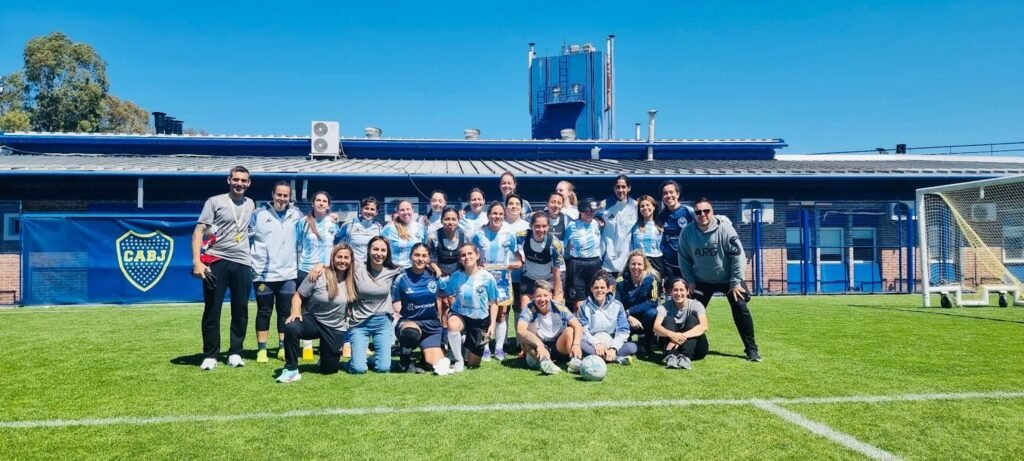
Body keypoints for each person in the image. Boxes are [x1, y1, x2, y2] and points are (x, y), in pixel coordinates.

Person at [678, 198, 761, 362]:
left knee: (740, 307)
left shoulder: (725, 228)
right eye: (698, 212)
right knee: (691, 312)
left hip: (728, 279)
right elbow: (683, 258)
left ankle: (751, 349)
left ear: (712, 212)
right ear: (694, 214)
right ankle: (685, 347)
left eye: (706, 211)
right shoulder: (687, 232)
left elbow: (738, 256)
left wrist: (735, 282)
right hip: (702, 280)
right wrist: (690, 280)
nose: (702, 214)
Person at [192, 166, 256, 370]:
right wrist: (197, 261)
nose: (239, 183)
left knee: (241, 309)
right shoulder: (214, 201)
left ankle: (235, 352)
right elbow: (198, 232)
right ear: (229, 180)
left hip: (243, 262)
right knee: (212, 309)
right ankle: (211, 354)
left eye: (243, 180)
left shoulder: (251, 204)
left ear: (249, 183)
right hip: (216, 260)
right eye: (236, 179)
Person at [276, 244, 356, 383]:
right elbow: (298, 296)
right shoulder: (318, 275)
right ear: (333, 258)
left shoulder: (353, 278)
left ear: (351, 260)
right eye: (339, 257)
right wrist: (295, 312)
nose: (342, 260)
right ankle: (291, 369)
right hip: (314, 320)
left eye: (346, 257)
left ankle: (325, 359)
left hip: (335, 327)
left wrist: (321, 264)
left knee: (329, 370)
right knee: (291, 327)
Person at [249, 181, 303, 363]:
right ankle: (262, 350)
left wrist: (331, 217)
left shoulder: (296, 214)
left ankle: (282, 347)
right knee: (264, 311)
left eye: (285, 195)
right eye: (279, 195)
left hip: (288, 274)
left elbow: (310, 227)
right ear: (272, 195)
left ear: (289, 197)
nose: (282, 198)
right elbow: (244, 238)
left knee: (284, 312)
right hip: (263, 273)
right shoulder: (258, 214)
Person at [471, 201, 522, 360]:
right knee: (484, 314)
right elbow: (471, 255)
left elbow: (518, 257)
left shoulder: (509, 235)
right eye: (494, 213)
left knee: (501, 314)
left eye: (500, 214)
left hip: (503, 281)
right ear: (488, 215)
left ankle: (499, 348)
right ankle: (485, 347)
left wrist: (517, 263)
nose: (497, 216)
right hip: (483, 279)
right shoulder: (478, 235)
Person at [346, 236, 404, 373]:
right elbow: (336, 263)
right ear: (368, 250)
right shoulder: (357, 267)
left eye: (383, 250)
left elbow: (416, 268)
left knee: (383, 368)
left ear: (387, 253)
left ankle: (374, 359)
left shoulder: (394, 270)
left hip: (382, 322)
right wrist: (319, 267)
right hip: (359, 323)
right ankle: (353, 362)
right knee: (358, 369)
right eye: (375, 249)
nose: (379, 253)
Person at [441, 242, 500, 373]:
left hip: (480, 320)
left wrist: (492, 325)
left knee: (474, 363)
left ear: (477, 255)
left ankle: (463, 341)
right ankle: (458, 360)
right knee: (452, 324)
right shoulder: (456, 276)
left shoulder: (488, 278)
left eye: (470, 253)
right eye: (463, 255)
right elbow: (446, 293)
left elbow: (494, 303)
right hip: (460, 314)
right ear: (460, 259)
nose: (467, 257)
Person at [392, 243, 448, 374]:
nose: (420, 259)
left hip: (431, 325)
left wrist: (439, 274)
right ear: (410, 256)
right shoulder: (401, 277)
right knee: (411, 333)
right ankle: (404, 361)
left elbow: (445, 296)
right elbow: (396, 304)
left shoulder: (434, 276)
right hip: (410, 323)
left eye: (424, 256)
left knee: (437, 364)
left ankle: (424, 356)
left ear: (428, 258)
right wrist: (401, 318)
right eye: (417, 255)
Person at [295, 190, 339, 360]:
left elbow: (336, 245)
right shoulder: (303, 222)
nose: (321, 203)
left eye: (324, 201)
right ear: (312, 203)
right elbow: (297, 245)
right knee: (306, 307)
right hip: (306, 269)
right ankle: (307, 345)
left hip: (327, 270)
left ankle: (325, 344)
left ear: (328, 205)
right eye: (318, 200)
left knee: (325, 306)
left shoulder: (333, 223)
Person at [516, 280, 583, 375]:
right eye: (538, 296)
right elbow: (521, 330)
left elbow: (577, 325)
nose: (542, 299)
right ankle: (545, 362)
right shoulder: (531, 308)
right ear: (533, 297)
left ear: (551, 296)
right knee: (526, 340)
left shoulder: (558, 307)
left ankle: (575, 361)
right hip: (539, 347)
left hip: (558, 345)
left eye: (545, 295)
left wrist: (576, 345)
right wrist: (539, 345)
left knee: (570, 330)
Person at [577, 270, 637, 365]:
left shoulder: (617, 305)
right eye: (596, 287)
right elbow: (582, 331)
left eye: (602, 287)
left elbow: (623, 330)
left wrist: (613, 348)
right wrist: (596, 343)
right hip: (592, 345)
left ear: (608, 289)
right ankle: (615, 358)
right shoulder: (584, 306)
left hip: (611, 342)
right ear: (591, 289)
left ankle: (605, 355)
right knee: (579, 343)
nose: (599, 290)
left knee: (632, 347)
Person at [653, 278, 709, 370]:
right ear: (671, 292)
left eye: (681, 290)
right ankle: (671, 356)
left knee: (692, 319)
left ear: (687, 291)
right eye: (675, 290)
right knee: (668, 319)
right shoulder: (664, 307)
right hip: (671, 348)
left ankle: (685, 357)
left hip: (695, 350)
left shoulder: (696, 305)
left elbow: (704, 326)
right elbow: (656, 327)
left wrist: (679, 337)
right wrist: (672, 335)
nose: (678, 293)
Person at [618, 250, 661, 359]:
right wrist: (628, 316)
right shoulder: (620, 281)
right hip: (626, 318)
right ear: (628, 265)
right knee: (626, 347)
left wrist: (630, 311)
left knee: (652, 313)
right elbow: (616, 305)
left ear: (644, 266)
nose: (636, 267)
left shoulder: (651, 279)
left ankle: (648, 344)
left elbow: (653, 302)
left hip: (643, 316)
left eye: (639, 264)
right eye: (633, 264)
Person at [563, 197, 603, 311]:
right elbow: (563, 244)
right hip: (577, 263)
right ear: (580, 211)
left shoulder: (597, 224)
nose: (589, 213)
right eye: (586, 211)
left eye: (592, 211)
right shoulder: (572, 225)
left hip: (595, 263)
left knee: (596, 296)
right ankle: (579, 321)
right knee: (578, 301)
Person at [519, 212, 564, 310]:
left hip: (547, 280)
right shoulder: (522, 237)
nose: (541, 229)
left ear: (548, 227)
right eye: (537, 226)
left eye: (544, 226)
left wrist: (557, 293)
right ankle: (531, 318)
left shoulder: (554, 244)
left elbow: (556, 270)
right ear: (531, 226)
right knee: (526, 310)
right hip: (529, 279)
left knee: (549, 309)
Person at [597, 174, 638, 277]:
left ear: (629, 188)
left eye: (623, 187)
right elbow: (592, 220)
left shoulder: (635, 206)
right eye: (618, 187)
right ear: (614, 188)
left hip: (627, 261)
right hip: (607, 261)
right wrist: (597, 219)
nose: (620, 190)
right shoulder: (604, 206)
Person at [658, 180, 695, 280]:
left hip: (689, 263)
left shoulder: (689, 212)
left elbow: (705, 220)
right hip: (669, 265)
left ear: (677, 194)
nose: (668, 195)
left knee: (690, 289)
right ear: (662, 197)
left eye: (671, 192)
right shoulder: (660, 216)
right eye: (665, 193)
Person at [382, 199, 426, 269]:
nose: (405, 212)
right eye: (402, 210)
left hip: (415, 270)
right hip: (395, 270)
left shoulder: (420, 227)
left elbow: (425, 248)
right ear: (398, 212)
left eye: (408, 209)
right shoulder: (389, 228)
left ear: (413, 210)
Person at [337, 196, 383, 263]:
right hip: (352, 265)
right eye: (366, 208)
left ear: (376, 212)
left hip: (370, 266)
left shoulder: (379, 228)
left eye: (372, 209)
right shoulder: (349, 224)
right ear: (361, 210)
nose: (369, 211)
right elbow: (336, 241)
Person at [630, 195, 665, 279]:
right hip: (639, 261)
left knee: (655, 286)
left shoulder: (660, 225)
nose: (645, 208)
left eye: (648, 205)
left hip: (656, 261)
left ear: (654, 207)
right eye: (642, 206)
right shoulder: (634, 225)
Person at [426, 207, 467, 277]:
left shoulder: (463, 236)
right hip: (439, 274)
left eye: (454, 219)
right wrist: (438, 271)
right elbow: (431, 260)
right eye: (447, 219)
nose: (450, 222)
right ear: (441, 221)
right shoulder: (434, 237)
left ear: (458, 221)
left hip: (459, 274)